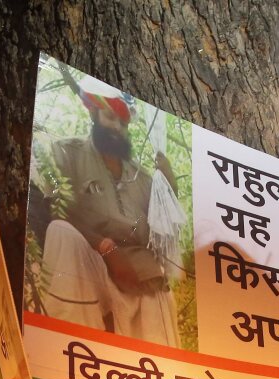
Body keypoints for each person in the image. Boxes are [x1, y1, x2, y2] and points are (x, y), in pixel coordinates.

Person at [40, 77, 180, 346]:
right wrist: (106, 248)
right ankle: (70, 346)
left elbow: (161, 237)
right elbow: (58, 207)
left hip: (139, 276)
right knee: (60, 231)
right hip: (89, 262)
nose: (116, 127)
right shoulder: (66, 152)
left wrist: (169, 186)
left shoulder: (144, 177)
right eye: (109, 117)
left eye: (123, 123)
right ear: (93, 112)